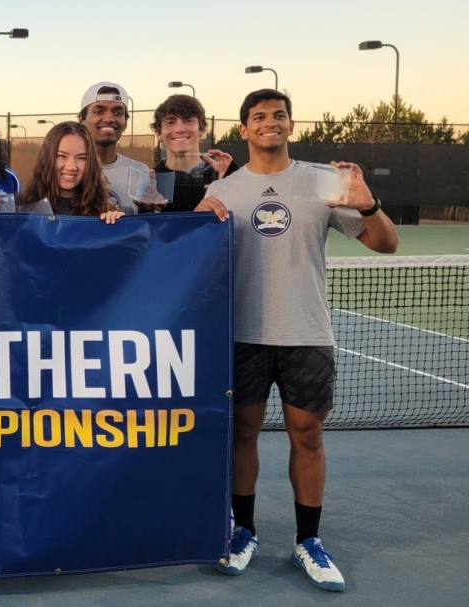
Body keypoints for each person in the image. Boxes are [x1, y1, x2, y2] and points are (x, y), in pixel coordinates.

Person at [196, 89, 398, 591]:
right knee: (242, 433)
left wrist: (368, 202)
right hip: (242, 334)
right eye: (259, 117)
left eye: (279, 115)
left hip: (307, 331)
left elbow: (386, 244)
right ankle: (242, 533)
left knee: (307, 435)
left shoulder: (325, 181)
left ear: (290, 124)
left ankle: (308, 542)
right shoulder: (225, 189)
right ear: (242, 129)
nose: (271, 122)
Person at [16, 121, 124, 224]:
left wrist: (116, 226)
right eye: (62, 156)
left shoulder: (105, 211)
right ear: (46, 158)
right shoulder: (20, 209)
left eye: (81, 158)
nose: (71, 167)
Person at [79, 82, 157, 214]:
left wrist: (147, 210)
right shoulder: (69, 171)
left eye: (118, 112)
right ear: (82, 120)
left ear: (125, 123)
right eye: (99, 111)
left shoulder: (140, 171)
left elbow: (147, 228)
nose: (109, 118)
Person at [152, 94, 238, 212]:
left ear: (202, 129)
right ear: (159, 133)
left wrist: (231, 185)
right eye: (170, 122)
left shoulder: (222, 176)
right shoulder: (151, 181)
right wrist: (145, 209)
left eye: (188, 121)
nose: (180, 129)